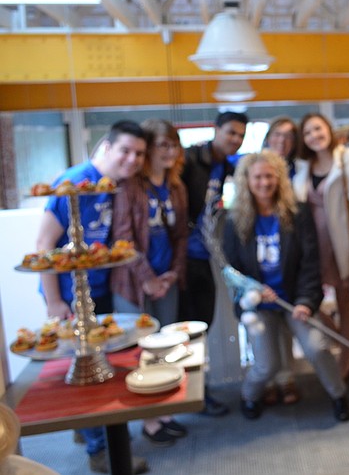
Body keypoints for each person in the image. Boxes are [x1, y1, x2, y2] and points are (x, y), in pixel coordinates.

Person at [34, 120, 149, 474]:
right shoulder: (76, 180)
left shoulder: (116, 186)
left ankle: (91, 432)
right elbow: (44, 245)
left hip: (99, 289)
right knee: (85, 368)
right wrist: (54, 299)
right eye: (125, 150)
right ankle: (101, 450)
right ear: (107, 147)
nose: (132, 159)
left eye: (139, 154)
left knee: (101, 364)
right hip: (69, 295)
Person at [222, 151, 349, 422]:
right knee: (267, 364)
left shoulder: (297, 213)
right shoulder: (235, 221)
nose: (264, 182)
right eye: (258, 177)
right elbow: (232, 271)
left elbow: (309, 262)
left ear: (279, 178)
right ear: (246, 179)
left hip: (294, 299)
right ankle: (249, 396)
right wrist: (254, 291)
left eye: (270, 176)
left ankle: (339, 395)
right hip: (258, 305)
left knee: (317, 348)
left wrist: (306, 300)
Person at [111, 119, 189, 447]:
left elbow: (182, 235)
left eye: (174, 145)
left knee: (165, 347)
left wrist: (171, 274)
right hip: (133, 284)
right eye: (163, 145)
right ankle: (148, 420)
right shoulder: (130, 187)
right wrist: (147, 279)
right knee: (137, 350)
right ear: (150, 150)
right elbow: (123, 238)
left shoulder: (176, 186)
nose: (170, 151)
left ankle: (163, 411)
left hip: (166, 280)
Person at [179, 110, 248, 416]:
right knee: (188, 328)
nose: (235, 139)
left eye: (241, 135)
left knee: (201, 325)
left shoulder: (225, 164)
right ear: (216, 130)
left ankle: (198, 393)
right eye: (231, 133)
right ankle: (191, 395)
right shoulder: (190, 160)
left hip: (205, 255)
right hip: (183, 259)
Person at [293, 113, 349, 381]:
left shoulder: (348, 158)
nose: (314, 136)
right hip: (312, 246)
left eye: (318, 129)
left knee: (345, 302)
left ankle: (344, 363)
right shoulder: (302, 167)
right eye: (308, 132)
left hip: (341, 244)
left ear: (329, 130)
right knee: (313, 302)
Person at [259, 116, 302, 406]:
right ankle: (271, 379)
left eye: (289, 137)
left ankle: (286, 379)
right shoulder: (255, 165)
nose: (282, 142)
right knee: (265, 331)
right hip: (262, 257)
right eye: (277, 135)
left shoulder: (300, 169)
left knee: (288, 329)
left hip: (291, 256)